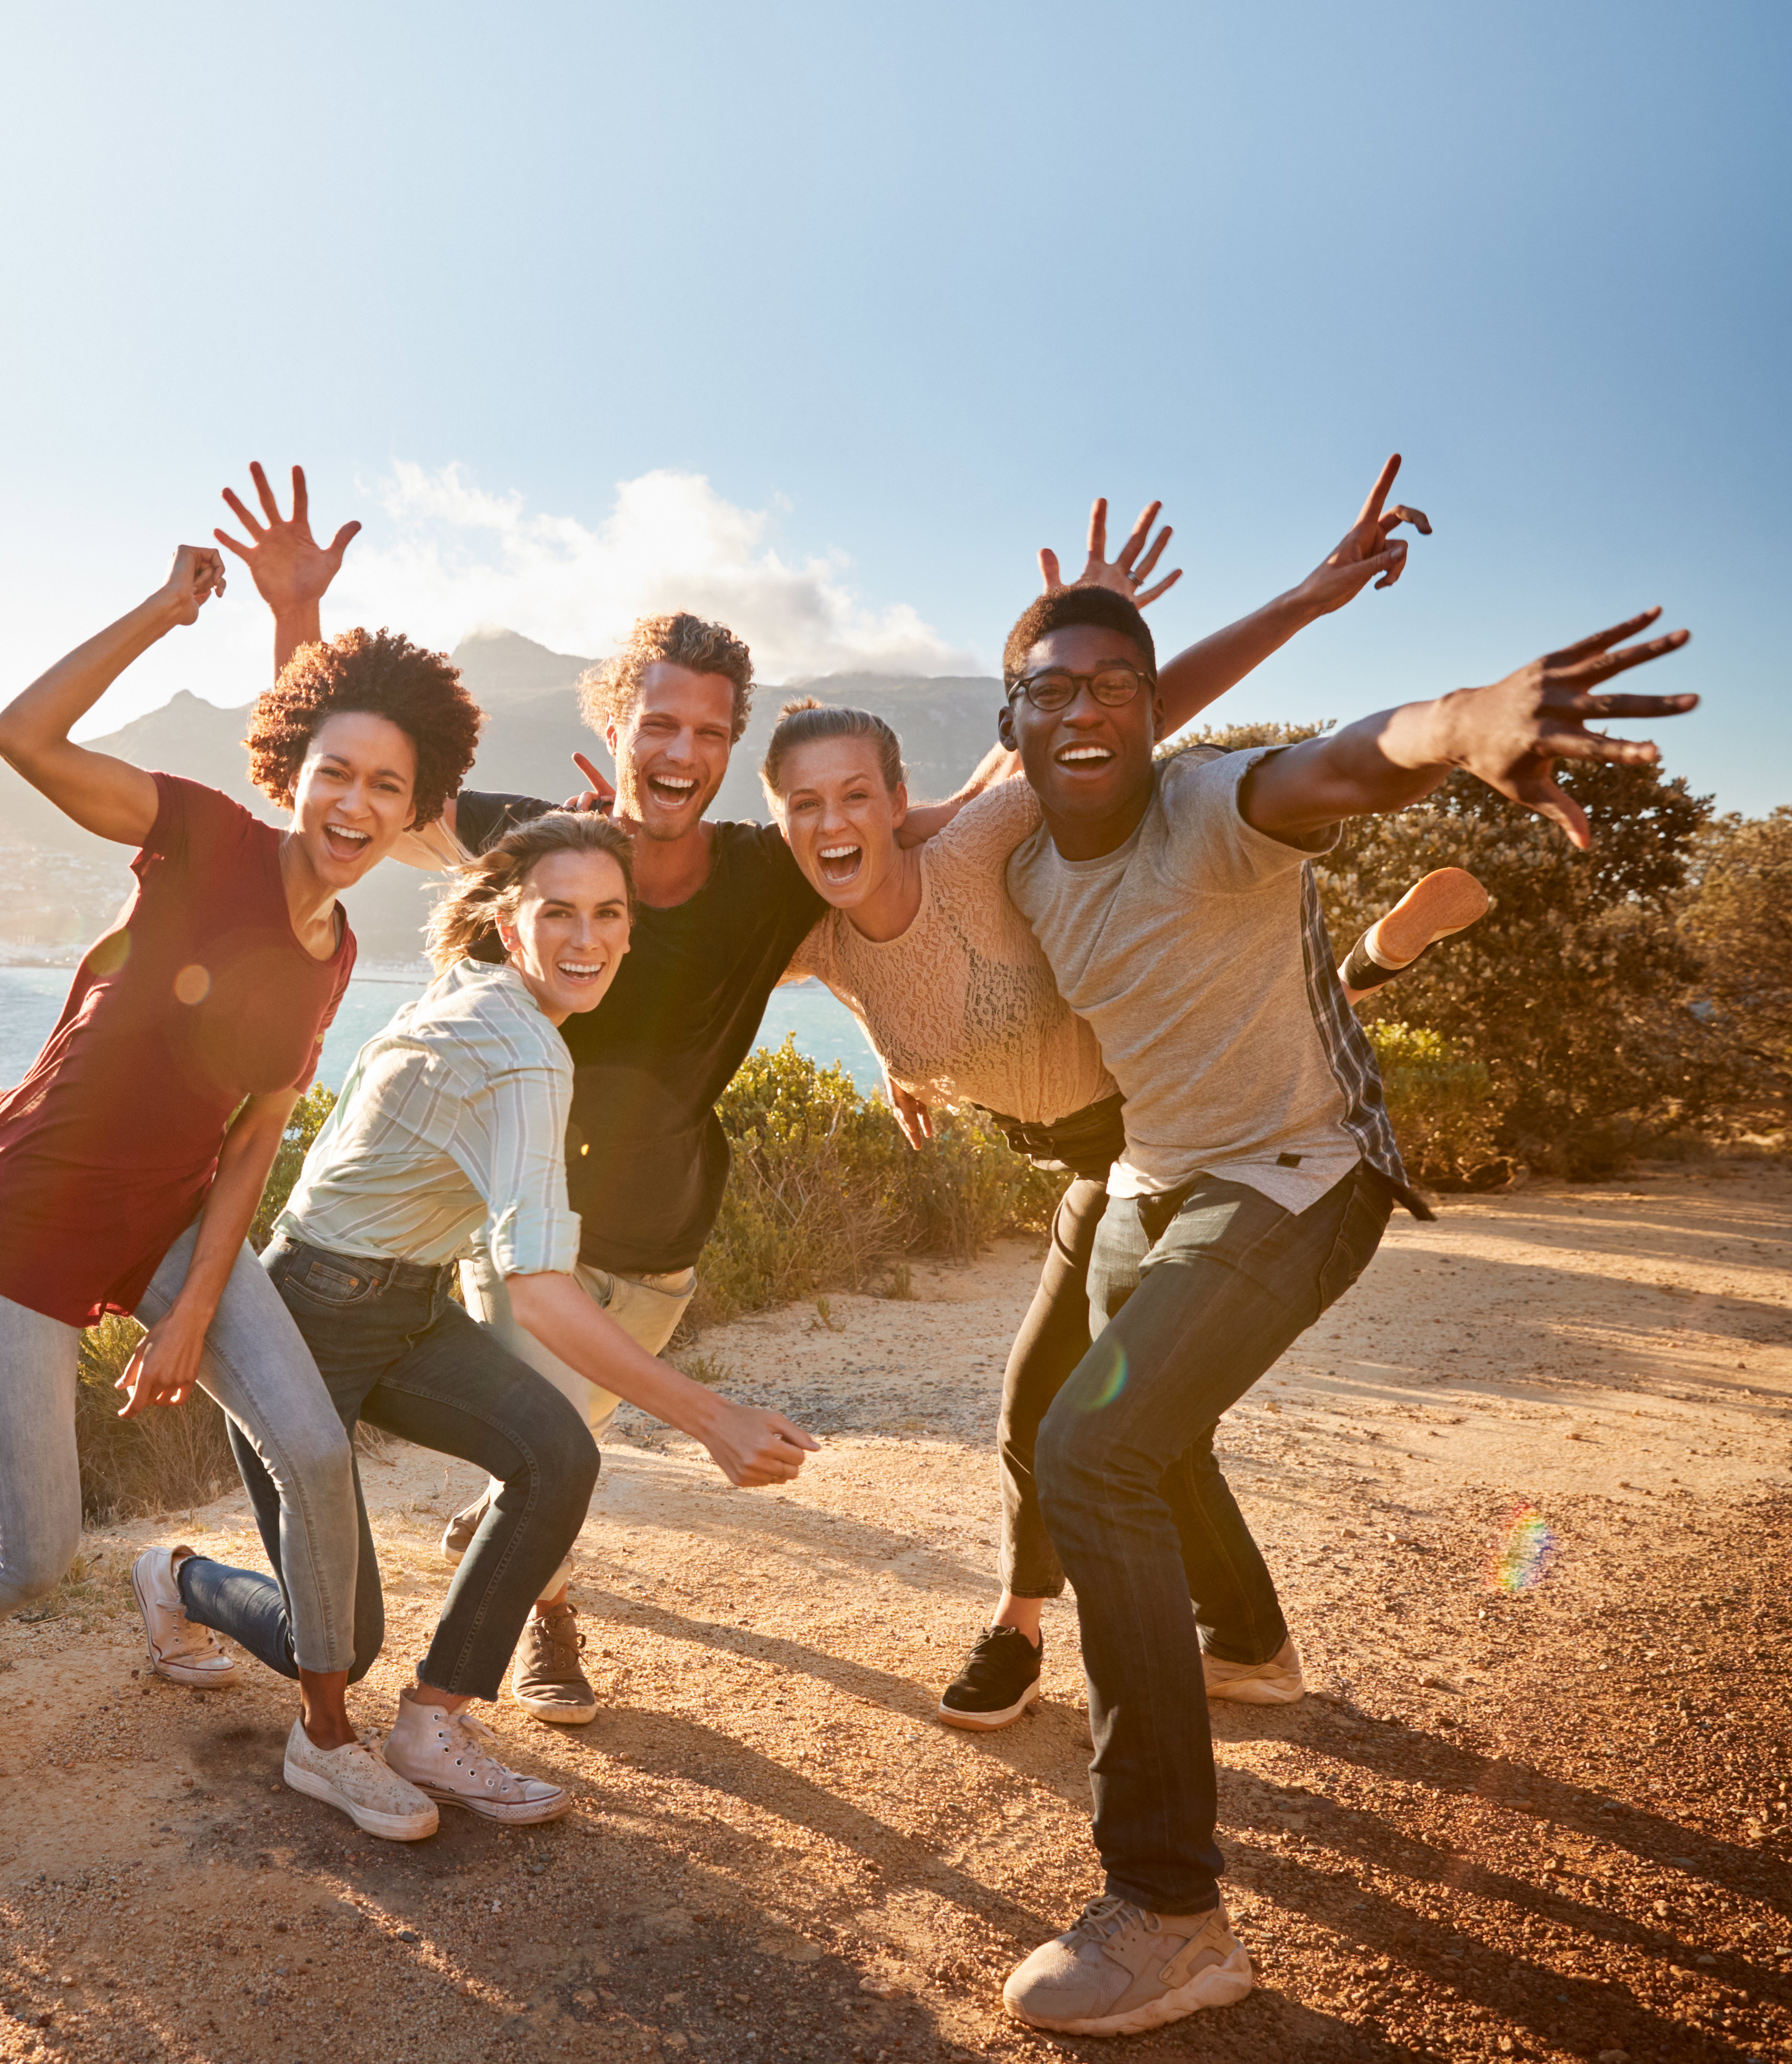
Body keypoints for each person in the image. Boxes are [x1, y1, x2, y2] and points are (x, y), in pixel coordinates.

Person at [990, 591, 1694, 2034]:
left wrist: (1466, 724)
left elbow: (1355, 757)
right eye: (1051, 689)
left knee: (1093, 1451)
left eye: (1118, 686)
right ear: (1011, 719)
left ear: (1153, 710)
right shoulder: (1017, 856)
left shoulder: (1214, 806)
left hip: (1301, 1173)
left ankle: (1171, 1912)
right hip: (1154, 1179)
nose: (1085, 709)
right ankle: (1251, 1649)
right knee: (1154, 1435)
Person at [761, 461, 1489, 1733]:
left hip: (1139, 1135)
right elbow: (823, 959)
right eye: (807, 808)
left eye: (860, 797)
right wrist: (894, 1053)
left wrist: (1310, 597)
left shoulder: (981, 831)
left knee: (1053, 1404)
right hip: (1095, 1144)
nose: (839, 822)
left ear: (894, 795)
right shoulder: (821, 924)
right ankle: (1252, 1638)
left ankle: (1022, 1631)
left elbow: (1134, 728)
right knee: (1140, 1415)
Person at [217, 463, 953, 1720]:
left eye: (711, 731)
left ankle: (514, 1550)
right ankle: (536, 1628)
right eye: (658, 723)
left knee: (560, 1436)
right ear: (615, 731)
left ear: (732, 750)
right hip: (516, 1231)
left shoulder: (767, 870)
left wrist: (895, 1034)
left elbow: (930, 843)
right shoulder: (538, 844)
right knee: (554, 1438)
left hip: (659, 1243)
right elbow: (345, 783)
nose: (683, 750)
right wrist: (295, 616)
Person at [0, 543, 484, 1847]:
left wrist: (192, 1306)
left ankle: (325, 1738)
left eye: (387, 787)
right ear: (293, 774)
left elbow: (253, 1142)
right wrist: (167, 608)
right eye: (336, 773)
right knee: (35, 1554)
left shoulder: (339, 947)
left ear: (412, 807)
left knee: (312, 1448)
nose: (357, 805)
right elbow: (23, 735)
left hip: (172, 1219)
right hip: (29, 1218)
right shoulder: (200, 835)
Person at [136, 813, 819, 1826]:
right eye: (559, 913)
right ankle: (179, 1578)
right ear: (509, 922)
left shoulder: (483, 994)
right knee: (332, 1640)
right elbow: (541, 1289)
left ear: (632, 932)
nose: (585, 938)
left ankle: (431, 1720)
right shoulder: (525, 1049)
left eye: (607, 914)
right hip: (312, 1315)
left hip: (399, 1300)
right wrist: (710, 1417)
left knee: (554, 1452)